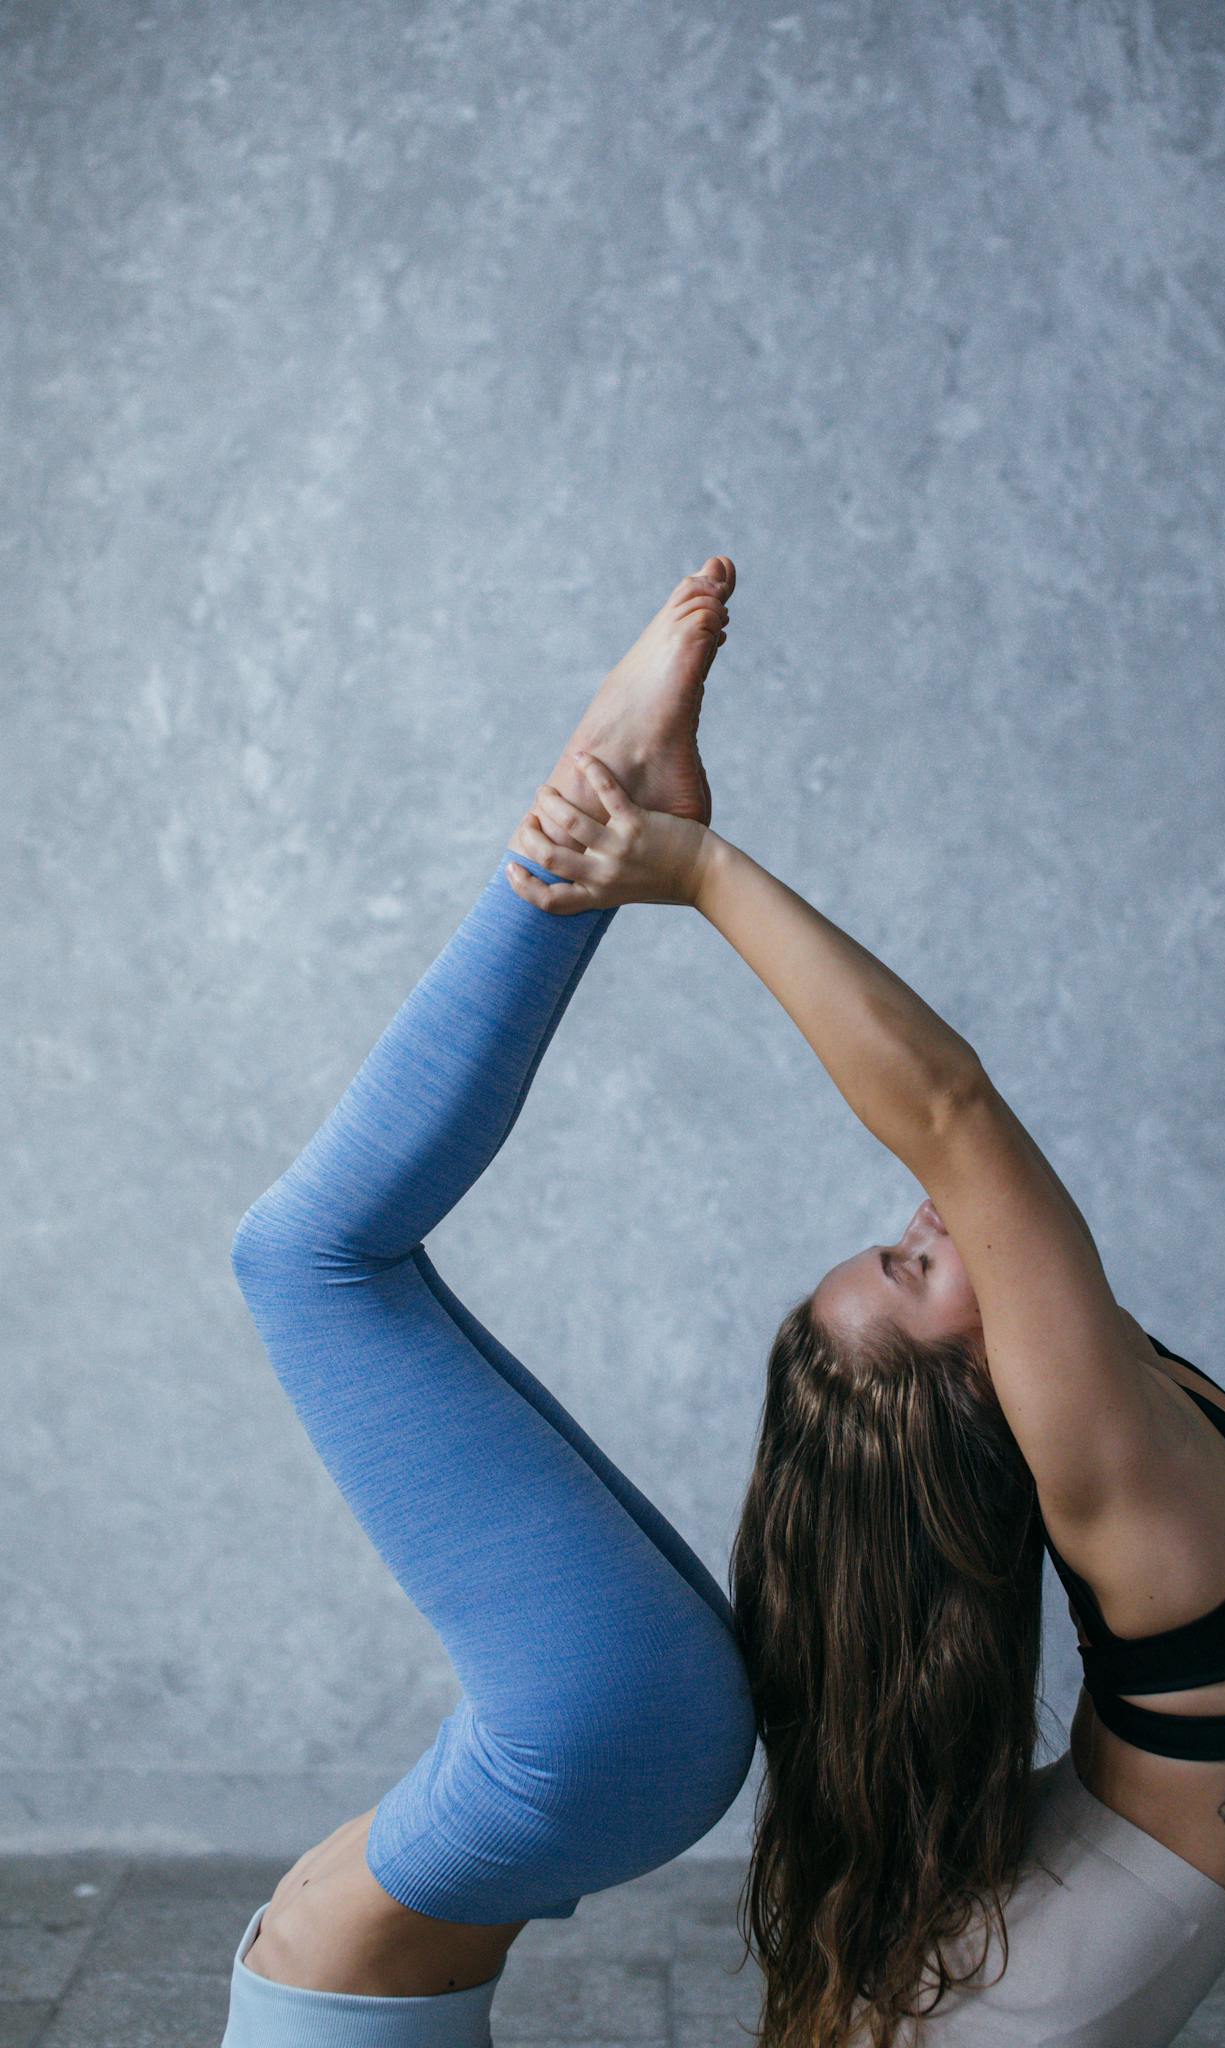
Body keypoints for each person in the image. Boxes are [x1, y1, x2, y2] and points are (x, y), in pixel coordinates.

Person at [498, 580, 1225, 2048]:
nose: (915, 1223)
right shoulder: (1097, 1466)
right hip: (1043, 1993)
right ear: (977, 1387)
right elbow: (949, 1112)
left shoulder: (1091, 1414)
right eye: (906, 1272)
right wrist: (694, 869)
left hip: (1079, 1890)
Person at [221, 561, 753, 2047]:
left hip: (591, 1755)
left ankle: (597, 813)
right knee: (312, 1258)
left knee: (332, 1260)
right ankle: (590, 818)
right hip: (582, 1752)